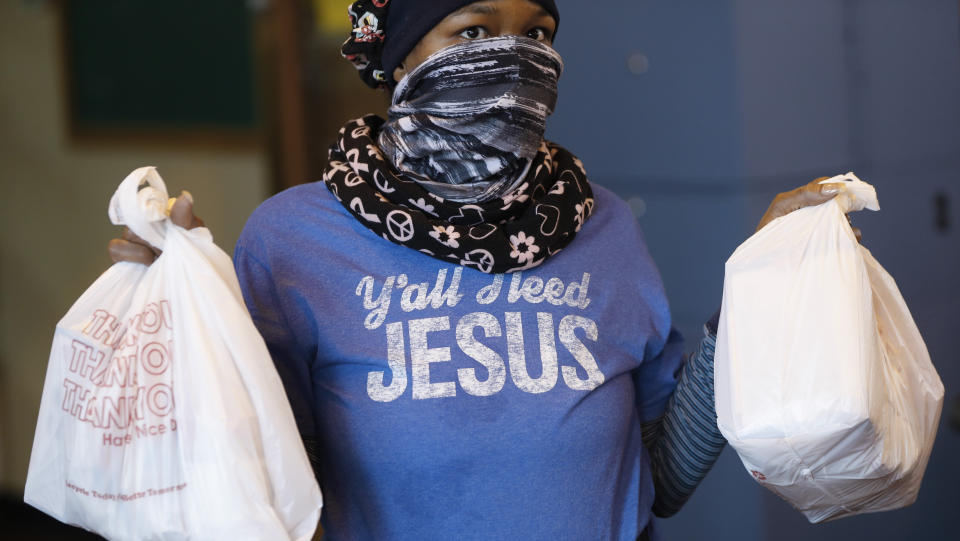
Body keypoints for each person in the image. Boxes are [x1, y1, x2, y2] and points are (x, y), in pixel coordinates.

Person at [109, 1, 850, 539]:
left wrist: (760, 292)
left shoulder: (604, 223)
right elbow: (261, 482)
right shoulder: (294, 241)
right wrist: (180, 305)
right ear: (401, 54)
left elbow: (660, 481)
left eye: (538, 33)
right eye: (474, 30)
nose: (515, 55)